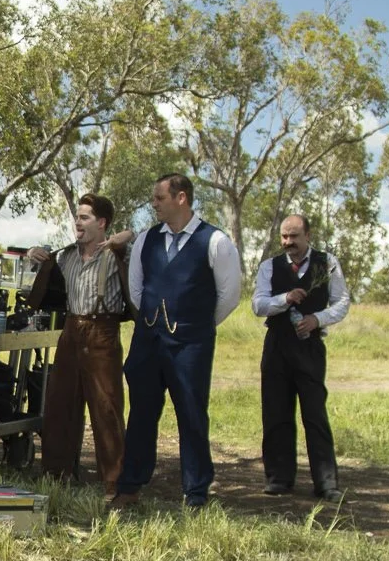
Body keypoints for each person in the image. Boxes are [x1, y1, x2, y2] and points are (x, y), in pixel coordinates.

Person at [109, 174, 242, 511]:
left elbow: (229, 297)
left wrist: (195, 326)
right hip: (148, 342)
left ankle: (196, 493)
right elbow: (137, 291)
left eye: (159, 197)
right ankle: (130, 486)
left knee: (192, 415)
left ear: (181, 198)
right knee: (141, 414)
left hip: (191, 346)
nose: (153, 203)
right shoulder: (146, 240)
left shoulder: (216, 242)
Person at [27, 194, 129, 493]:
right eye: (77, 218)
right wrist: (33, 253)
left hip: (103, 332)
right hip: (71, 330)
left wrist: (127, 236)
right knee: (60, 404)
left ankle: (114, 483)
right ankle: (56, 476)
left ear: (102, 223)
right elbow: (41, 265)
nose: (77, 223)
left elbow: (139, 246)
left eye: (84, 217)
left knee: (106, 408)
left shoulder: (117, 254)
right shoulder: (65, 255)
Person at [250, 213, 349, 500]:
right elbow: (258, 304)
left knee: (315, 413)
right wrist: (284, 299)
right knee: (276, 411)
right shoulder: (269, 266)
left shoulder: (327, 263)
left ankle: (326, 483)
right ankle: (278, 478)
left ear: (308, 236)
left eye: (294, 236)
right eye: (284, 237)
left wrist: (318, 319)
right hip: (277, 346)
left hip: (310, 347)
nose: (288, 242)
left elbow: (342, 301)